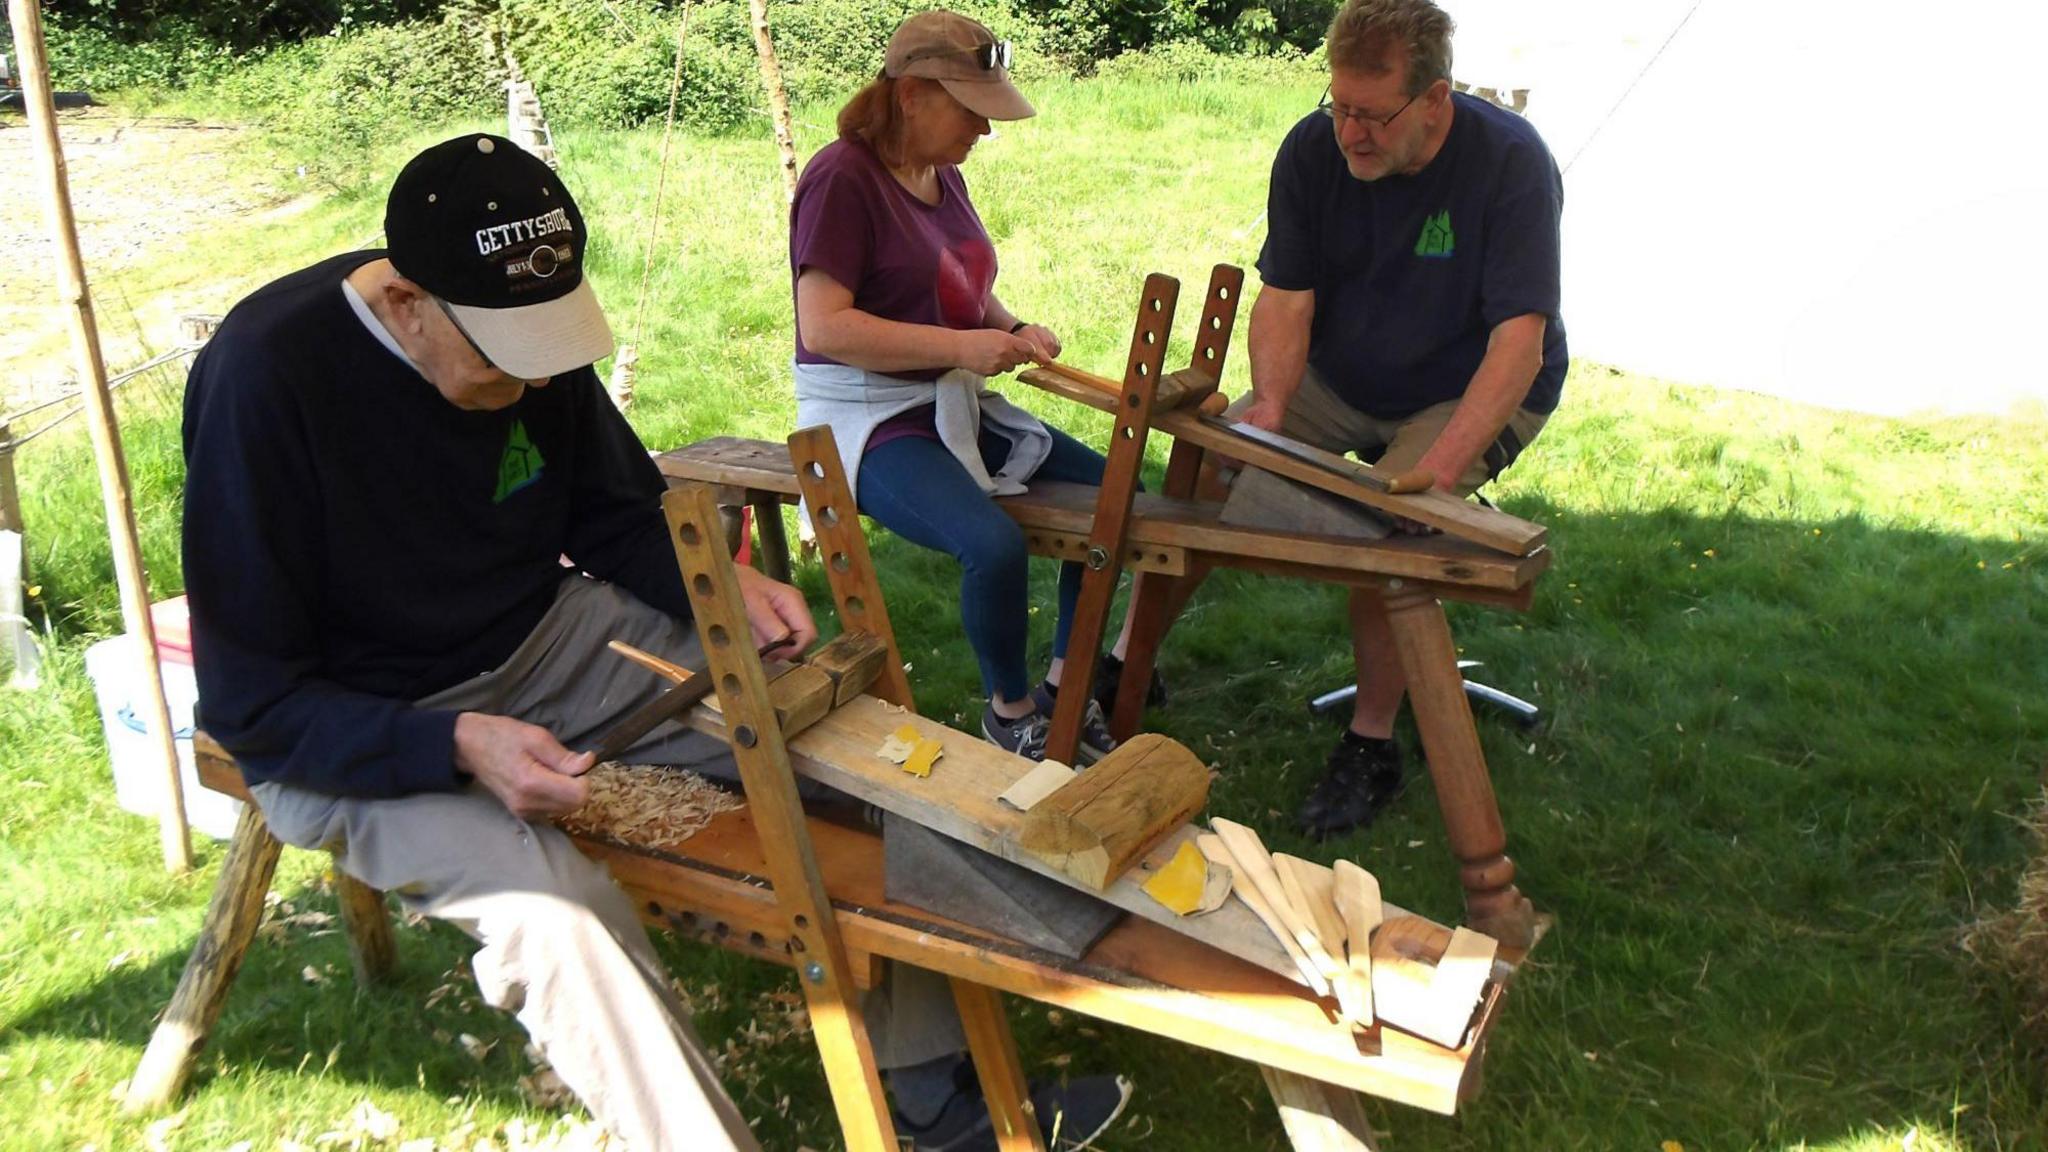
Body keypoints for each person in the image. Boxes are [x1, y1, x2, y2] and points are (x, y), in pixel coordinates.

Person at [181, 134, 1125, 1152]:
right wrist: (456, 747)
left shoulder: (523, 345)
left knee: (856, 750)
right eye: (507, 364)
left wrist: (725, 586)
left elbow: (615, 512)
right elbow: (255, 707)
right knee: (562, 925)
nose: (535, 388)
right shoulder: (265, 379)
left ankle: (933, 1093)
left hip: (546, 642)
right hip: (359, 720)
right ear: (409, 305)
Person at [789, 9, 1157, 766]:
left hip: (945, 395)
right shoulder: (840, 178)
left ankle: (1064, 686)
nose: (986, 131)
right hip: (867, 413)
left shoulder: (941, 173)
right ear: (913, 95)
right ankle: (1010, 713)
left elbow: (958, 279)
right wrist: (966, 346)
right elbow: (826, 328)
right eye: (973, 111)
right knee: (991, 546)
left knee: (1119, 503)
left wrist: (1013, 327)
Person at [1238, 0, 1567, 837]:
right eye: (1338, 106)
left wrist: (1440, 473)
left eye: (1373, 115)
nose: (1351, 132)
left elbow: (1517, 345)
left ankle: (1371, 743)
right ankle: (1120, 671)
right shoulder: (1313, 149)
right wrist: (1270, 409)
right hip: (1346, 370)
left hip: (1468, 384)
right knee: (1217, 465)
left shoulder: (1511, 163)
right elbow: (1285, 298)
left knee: (1394, 529)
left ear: (1435, 100)